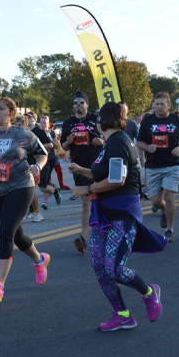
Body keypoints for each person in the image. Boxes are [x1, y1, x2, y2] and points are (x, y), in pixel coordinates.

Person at [70, 102, 165, 331]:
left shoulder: (119, 141)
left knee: (114, 268)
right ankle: (122, 313)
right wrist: (81, 170)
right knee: (100, 267)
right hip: (104, 213)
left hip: (123, 213)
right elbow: (104, 172)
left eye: (97, 119)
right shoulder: (111, 142)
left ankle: (149, 291)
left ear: (103, 121)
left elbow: (116, 180)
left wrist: (87, 189)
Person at [0, 97, 50, 303]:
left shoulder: (23, 134)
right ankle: (39, 259)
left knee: (5, 231)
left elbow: (42, 153)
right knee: (16, 235)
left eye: (1, 109)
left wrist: (38, 166)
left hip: (21, 186)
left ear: (11, 114)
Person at [136, 92, 179, 243]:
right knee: (155, 201)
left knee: (169, 196)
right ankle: (165, 211)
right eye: (157, 104)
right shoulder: (147, 121)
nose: (159, 107)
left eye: (162, 104)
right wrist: (148, 147)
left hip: (173, 164)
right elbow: (139, 143)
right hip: (153, 166)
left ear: (168, 105)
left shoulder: (177, 120)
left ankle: (169, 230)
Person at [60, 91, 103, 253]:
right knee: (87, 203)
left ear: (87, 104)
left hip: (97, 166)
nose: (78, 105)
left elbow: (108, 136)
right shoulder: (68, 123)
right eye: (76, 102)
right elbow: (63, 147)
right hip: (78, 167)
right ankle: (84, 239)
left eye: (81, 102)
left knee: (97, 201)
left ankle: (99, 234)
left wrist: (102, 140)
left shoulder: (95, 119)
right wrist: (67, 142)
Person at [27, 112, 61, 211]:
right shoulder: (23, 131)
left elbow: (50, 145)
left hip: (41, 162)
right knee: (28, 186)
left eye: (29, 117)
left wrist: (36, 147)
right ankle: (32, 209)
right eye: (26, 117)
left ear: (34, 119)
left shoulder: (40, 131)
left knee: (42, 187)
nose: (27, 119)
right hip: (28, 162)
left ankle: (55, 191)